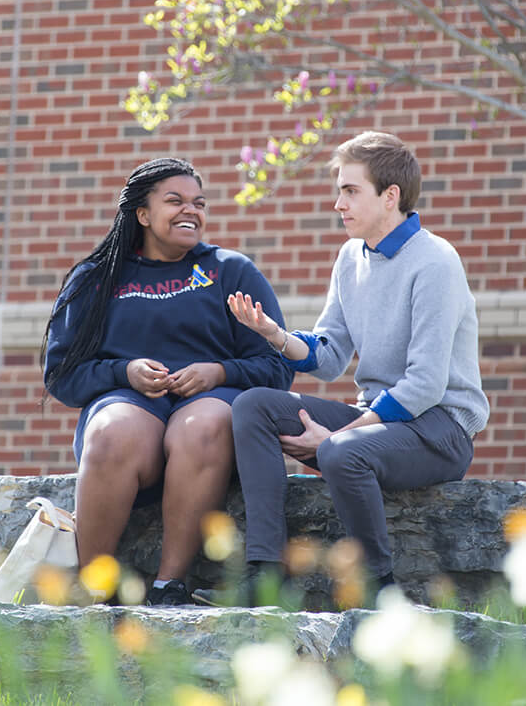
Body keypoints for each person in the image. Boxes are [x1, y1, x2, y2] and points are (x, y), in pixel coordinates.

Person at [192, 131, 489, 607]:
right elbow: (329, 355)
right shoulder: (351, 257)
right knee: (253, 406)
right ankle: (265, 574)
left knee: (341, 454)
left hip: (440, 429)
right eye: (340, 190)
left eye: (351, 191)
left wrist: (337, 436)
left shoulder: (436, 262)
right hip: (378, 421)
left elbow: (426, 384)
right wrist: (274, 334)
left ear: (390, 196)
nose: (338, 203)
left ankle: (379, 590)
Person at [41, 157, 293, 606]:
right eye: (174, 201)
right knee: (112, 431)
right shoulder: (97, 277)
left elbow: (277, 366)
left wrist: (220, 372)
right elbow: (62, 374)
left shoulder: (230, 271)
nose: (190, 211)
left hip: (209, 410)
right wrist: (125, 372)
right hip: (129, 408)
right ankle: (94, 586)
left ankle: (168, 585)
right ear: (142, 214)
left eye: (199, 203)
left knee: (203, 425)